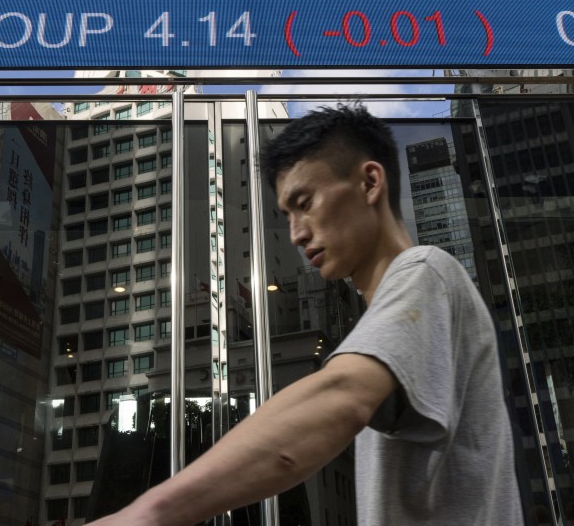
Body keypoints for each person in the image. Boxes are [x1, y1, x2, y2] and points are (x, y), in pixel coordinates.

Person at [87, 104, 524, 526]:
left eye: (305, 202)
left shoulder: (426, 271)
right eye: (287, 214)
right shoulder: (390, 321)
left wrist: (147, 513)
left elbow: (340, 395)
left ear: (370, 182)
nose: (296, 233)